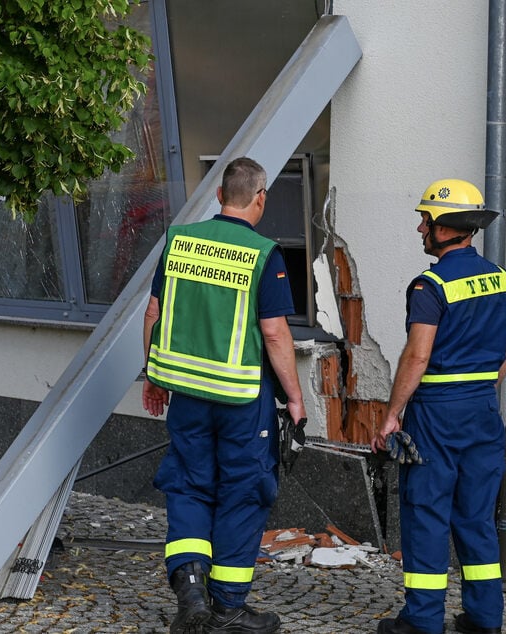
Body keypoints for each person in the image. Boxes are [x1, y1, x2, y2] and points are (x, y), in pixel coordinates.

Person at [141, 157, 306, 634]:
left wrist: (153, 374)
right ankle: (228, 608)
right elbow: (274, 334)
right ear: (260, 199)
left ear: (218, 195)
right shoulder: (262, 254)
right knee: (242, 492)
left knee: (189, 485)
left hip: (187, 394)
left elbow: (154, 312)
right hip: (241, 400)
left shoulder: (179, 242)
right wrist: (294, 399)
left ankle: (191, 590)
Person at [371, 179, 506, 634]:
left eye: (425, 220)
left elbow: (417, 355)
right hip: (482, 411)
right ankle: (484, 618)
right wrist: (476, 390)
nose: (420, 229)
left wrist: (393, 415)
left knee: (427, 513)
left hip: (436, 411)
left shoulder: (429, 285)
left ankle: (422, 620)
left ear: (445, 226)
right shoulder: (500, 277)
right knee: (475, 516)